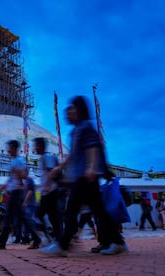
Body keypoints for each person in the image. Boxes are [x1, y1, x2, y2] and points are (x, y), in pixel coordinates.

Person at [39, 95, 127, 256]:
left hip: (85, 177)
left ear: (79, 110)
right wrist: (59, 167)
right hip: (79, 177)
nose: (68, 113)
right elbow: (73, 155)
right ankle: (117, 242)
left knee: (72, 211)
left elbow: (92, 147)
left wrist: (91, 167)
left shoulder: (86, 127)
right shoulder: (75, 131)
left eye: (71, 109)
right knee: (98, 212)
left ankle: (63, 245)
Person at [0, 140, 28, 250]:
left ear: (15, 148)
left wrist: (19, 180)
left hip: (17, 193)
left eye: (10, 148)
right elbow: (10, 180)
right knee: (18, 218)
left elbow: (23, 176)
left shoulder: (19, 161)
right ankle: (2, 243)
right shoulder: (14, 162)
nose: (8, 150)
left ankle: (1, 243)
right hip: (13, 192)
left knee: (13, 218)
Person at [33, 137, 63, 242]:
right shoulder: (42, 158)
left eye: (36, 145)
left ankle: (57, 237)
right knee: (40, 215)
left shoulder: (47, 157)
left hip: (50, 191)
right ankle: (51, 236)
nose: (35, 148)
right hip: (45, 192)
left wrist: (46, 185)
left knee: (51, 216)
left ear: (41, 146)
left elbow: (52, 172)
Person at [21, 176, 42, 249]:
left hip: (31, 204)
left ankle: (34, 238)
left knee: (29, 221)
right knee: (27, 221)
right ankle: (28, 237)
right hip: (29, 204)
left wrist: (24, 202)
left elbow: (30, 191)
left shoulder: (29, 180)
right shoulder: (25, 181)